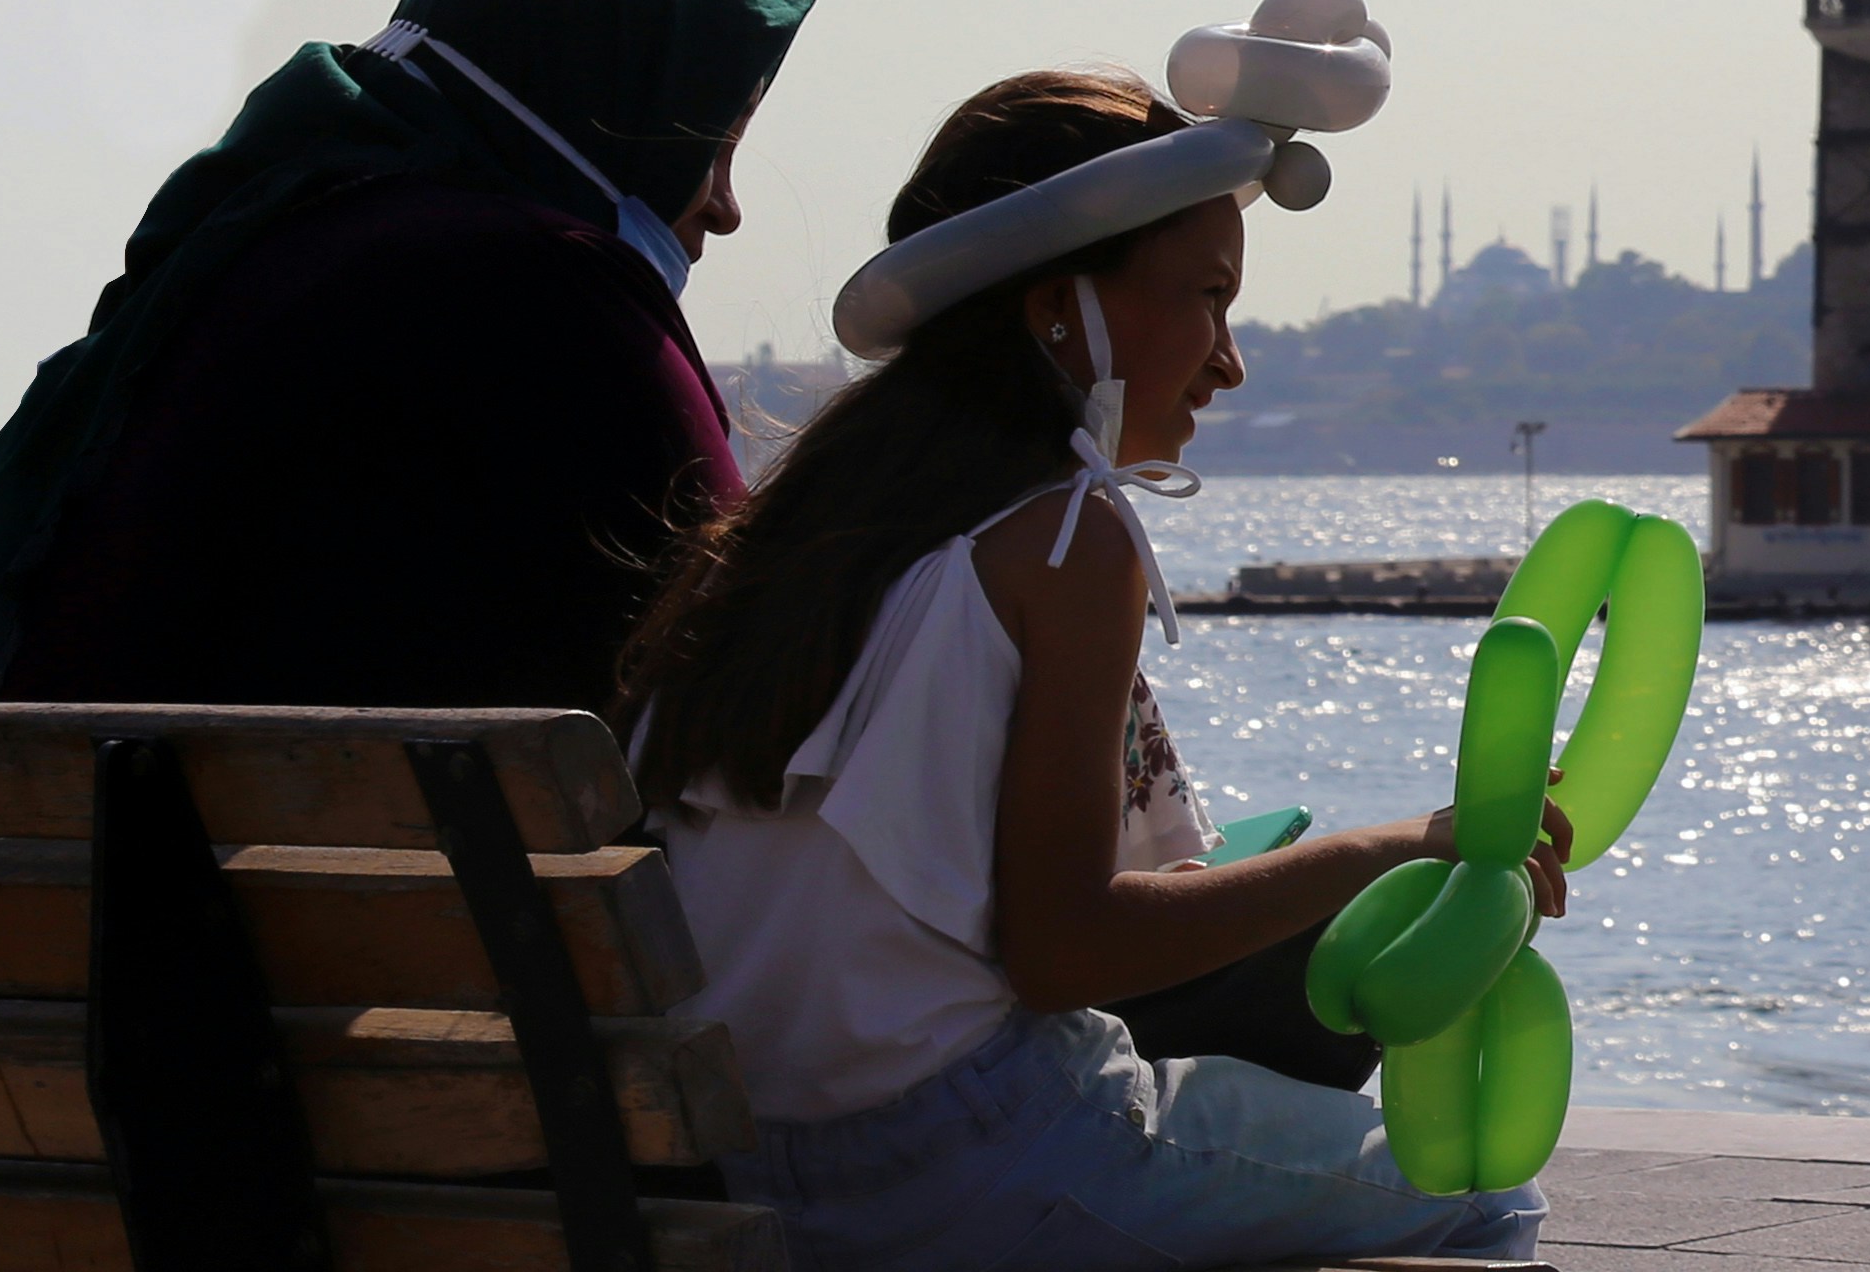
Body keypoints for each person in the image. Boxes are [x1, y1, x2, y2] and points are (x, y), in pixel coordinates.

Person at [619, 69, 1546, 1270]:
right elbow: (1065, 953)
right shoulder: (1065, 534)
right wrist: (1402, 843)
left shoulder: (810, 518)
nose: (1230, 362)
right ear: (1063, 309)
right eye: (1210, 299)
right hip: (971, 1155)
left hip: (748, 1157)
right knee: (1483, 1192)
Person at [0, 0, 814, 708]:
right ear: (606, 106)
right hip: (410, 863)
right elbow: (736, 669)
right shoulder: (537, 283)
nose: (725, 208)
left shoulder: (266, 244)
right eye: (712, 146)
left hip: (138, 848)